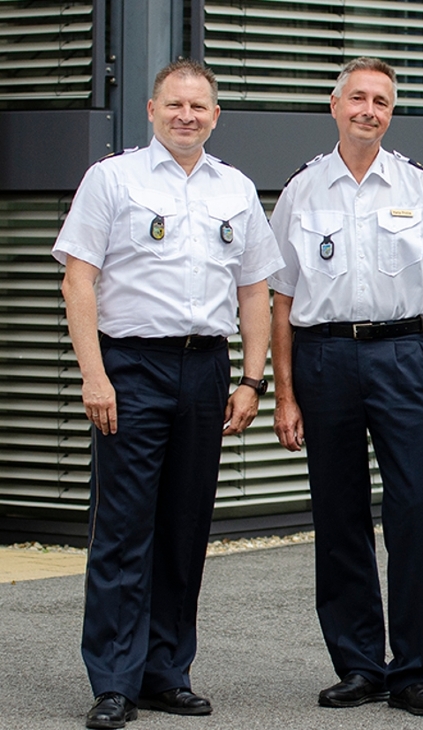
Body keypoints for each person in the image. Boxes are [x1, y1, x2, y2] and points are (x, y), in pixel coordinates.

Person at [53, 60, 283, 729]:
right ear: (152, 109)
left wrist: (250, 379)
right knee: (124, 532)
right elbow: (79, 282)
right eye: (175, 105)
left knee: (184, 529)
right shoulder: (112, 179)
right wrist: (95, 375)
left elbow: (254, 293)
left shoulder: (234, 189)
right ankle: (115, 681)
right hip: (130, 366)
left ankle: (166, 672)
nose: (187, 116)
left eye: (200, 107)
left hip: (205, 368)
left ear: (216, 116)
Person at [269, 56, 423, 719]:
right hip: (323, 358)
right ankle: (358, 666)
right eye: (358, 97)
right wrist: (285, 394)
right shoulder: (302, 190)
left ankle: (413, 673)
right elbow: (280, 301)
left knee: (411, 516)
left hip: (400, 357)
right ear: (335, 106)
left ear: (390, 112)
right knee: (339, 515)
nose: (369, 110)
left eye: (381, 101)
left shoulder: (416, 184)